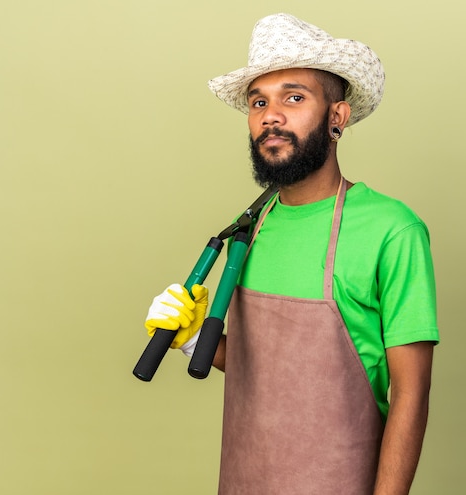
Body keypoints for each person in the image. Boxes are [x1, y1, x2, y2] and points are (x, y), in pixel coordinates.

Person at [144, 13, 439, 495]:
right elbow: (266, 374)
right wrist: (193, 338)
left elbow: (410, 394)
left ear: (337, 117)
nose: (271, 115)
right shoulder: (253, 227)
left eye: (294, 98)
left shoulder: (392, 229)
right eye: (259, 101)